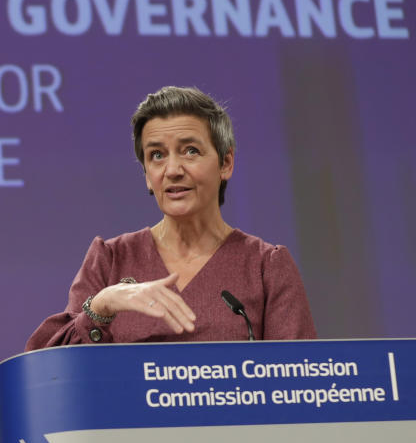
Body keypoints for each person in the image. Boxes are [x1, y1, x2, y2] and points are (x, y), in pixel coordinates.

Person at [25, 86, 316, 349]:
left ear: (225, 163)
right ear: (147, 176)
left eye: (190, 151)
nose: (173, 169)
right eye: (157, 155)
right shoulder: (110, 259)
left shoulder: (266, 266)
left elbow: (300, 381)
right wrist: (101, 306)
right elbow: (50, 373)